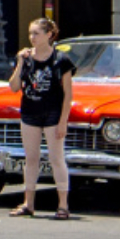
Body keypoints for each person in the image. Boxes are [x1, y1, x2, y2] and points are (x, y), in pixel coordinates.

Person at [10, 17, 75, 219]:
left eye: (36, 33)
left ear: (49, 35)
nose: (32, 37)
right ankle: (28, 202)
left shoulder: (60, 60)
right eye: (30, 33)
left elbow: (68, 93)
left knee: (56, 158)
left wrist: (63, 120)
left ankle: (63, 205)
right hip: (30, 111)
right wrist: (20, 62)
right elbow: (13, 87)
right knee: (31, 158)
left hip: (53, 112)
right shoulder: (27, 58)